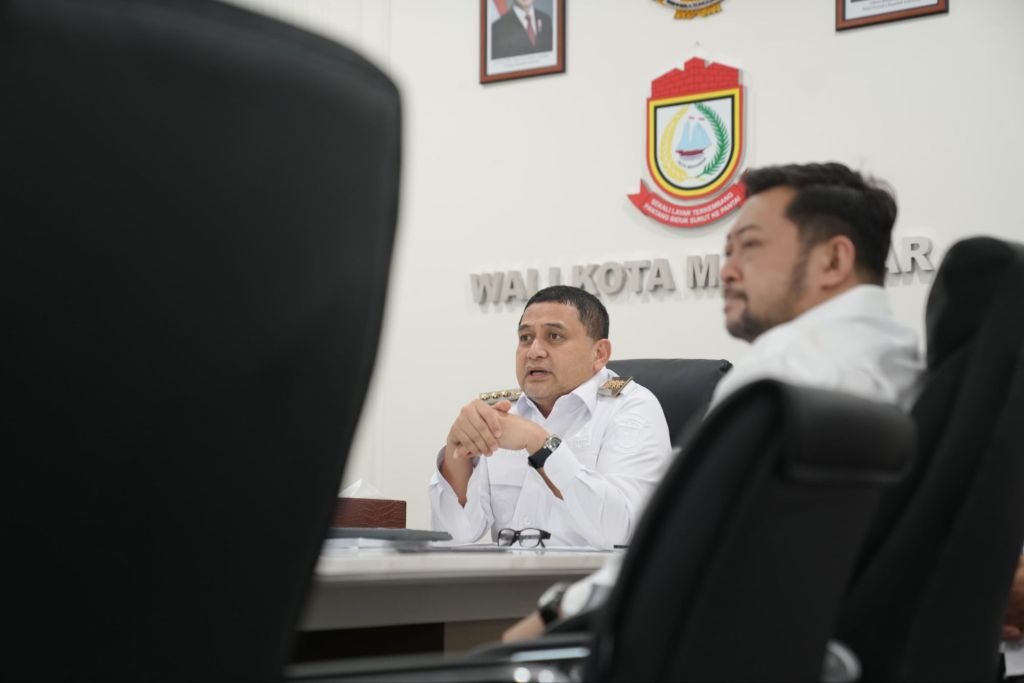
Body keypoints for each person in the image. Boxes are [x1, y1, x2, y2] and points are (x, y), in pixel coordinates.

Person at [502, 161, 925, 641]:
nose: (727, 270)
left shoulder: (788, 371)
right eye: (727, 252)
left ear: (833, 261)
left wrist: (555, 613)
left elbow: (675, 541)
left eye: (751, 246)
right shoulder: (898, 359)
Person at [428, 285, 672, 549]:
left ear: (599, 353)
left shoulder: (632, 407)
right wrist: (456, 453)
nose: (534, 351)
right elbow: (453, 538)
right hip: (504, 574)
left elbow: (624, 531)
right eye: (525, 337)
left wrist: (539, 444)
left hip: (590, 575)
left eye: (554, 336)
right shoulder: (502, 413)